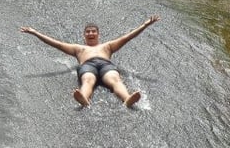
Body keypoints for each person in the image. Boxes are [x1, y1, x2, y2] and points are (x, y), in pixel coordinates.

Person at [20, 16, 160, 107]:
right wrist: (35, 32)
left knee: (115, 79)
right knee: (88, 80)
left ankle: (127, 99)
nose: (91, 33)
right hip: (88, 65)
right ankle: (84, 99)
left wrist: (145, 25)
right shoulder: (78, 48)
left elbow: (127, 37)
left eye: (93, 31)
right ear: (84, 35)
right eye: (88, 32)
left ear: (98, 34)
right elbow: (56, 44)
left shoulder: (107, 46)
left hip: (105, 65)